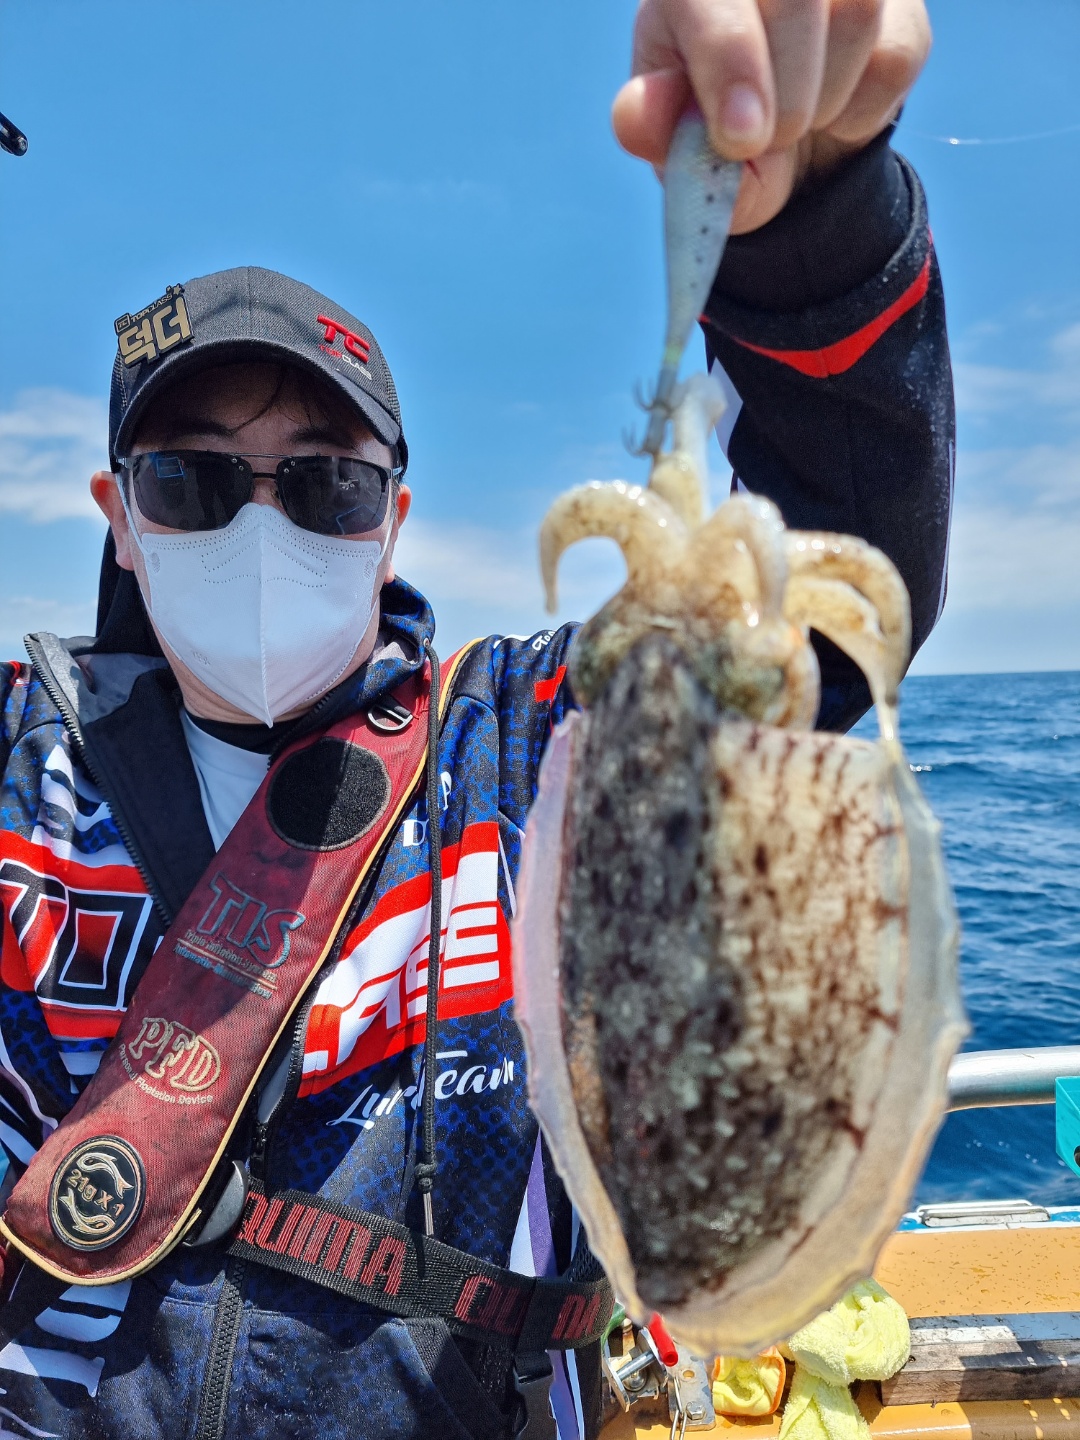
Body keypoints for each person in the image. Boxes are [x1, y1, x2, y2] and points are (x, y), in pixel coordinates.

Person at [0, 1, 950, 1436]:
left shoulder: (524, 742)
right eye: (191, 483)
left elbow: (823, 599)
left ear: (392, 517)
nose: (260, 527)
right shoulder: (29, 770)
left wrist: (814, 223)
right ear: (118, 520)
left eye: (324, 482)